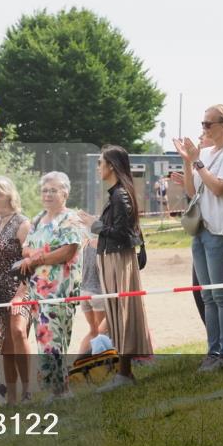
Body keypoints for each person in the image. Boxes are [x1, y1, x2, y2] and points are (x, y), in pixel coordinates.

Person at [172, 105, 223, 371]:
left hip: (221, 230)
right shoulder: (203, 153)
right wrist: (187, 160)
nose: (204, 129)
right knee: (208, 296)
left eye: (208, 124)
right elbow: (193, 192)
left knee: (221, 294)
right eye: (202, 124)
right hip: (201, 229)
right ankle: (213, 351)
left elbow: (218, 188)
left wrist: (198, 162)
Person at [82, 145, 151, 390]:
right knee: (117, 314)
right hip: (112, 258)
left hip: (118, 259)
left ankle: (124, 373)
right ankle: (124, 373)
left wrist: (95, 225)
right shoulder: (117, 193)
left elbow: (121, 234)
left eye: (101, 162)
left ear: (111, 166)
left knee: (122, 314)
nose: (98, 167)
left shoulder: (120, 195)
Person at [19, 172, 84, 397]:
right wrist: (32, 255)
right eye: (44, 190)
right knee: (44, 339)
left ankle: (60, 391)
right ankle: (56, 390)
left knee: (53, 340)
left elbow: (68, 251)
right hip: (38, 291)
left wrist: (38, 258)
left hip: (60, 290)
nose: (47, 194)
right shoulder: (38, 218)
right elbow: (25, 247)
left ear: (65, 193)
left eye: (53, 190)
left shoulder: (70, 218)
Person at [0, 176, 33, 404]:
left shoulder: (22, 223)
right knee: (5, 345)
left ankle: (28, 389)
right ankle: (12, 395)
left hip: (20, 287)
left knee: (18, 332)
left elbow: (31, 263)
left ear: (8, 195)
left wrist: (20, 294)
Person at [76, 231, 107, 357]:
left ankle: (79, 361)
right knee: (101, 333)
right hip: (97, 294)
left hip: (84, 292)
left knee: (93, 331)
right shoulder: (102, 246)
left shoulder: (86, 244)